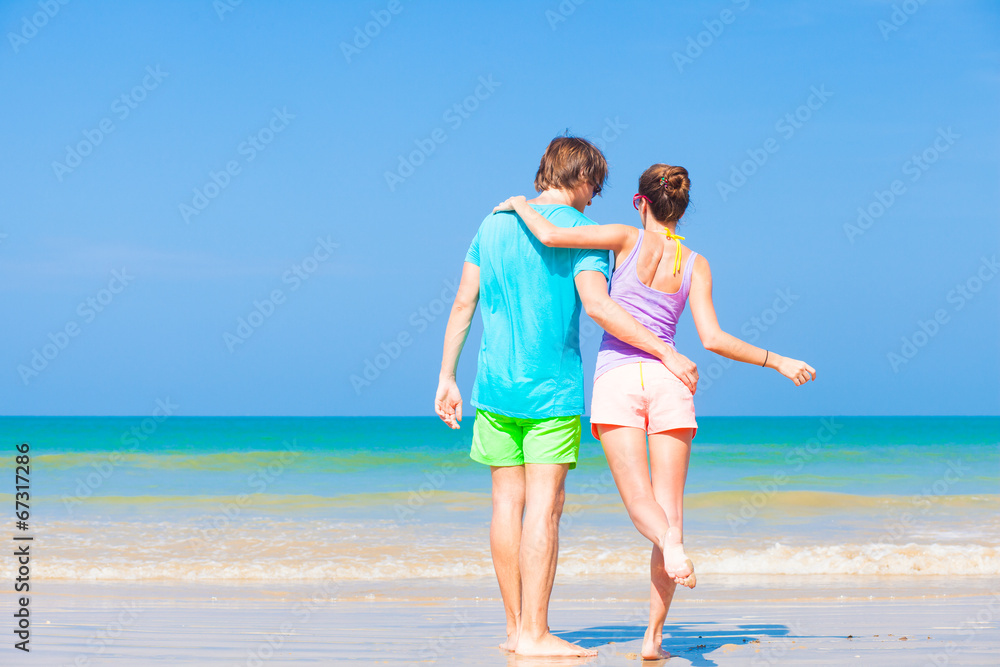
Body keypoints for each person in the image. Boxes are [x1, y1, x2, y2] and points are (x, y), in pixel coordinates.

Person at [493, 163, 816, 660]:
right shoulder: (696, 263)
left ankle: (667, 543)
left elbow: (554, 233)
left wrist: (517, 204)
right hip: (672, 381)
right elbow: (712, 339)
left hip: (619, 380)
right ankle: (653, 638)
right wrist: (779, 360)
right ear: (681, 210)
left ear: (640, 202)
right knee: (672, 511)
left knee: (642, 504)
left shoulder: (623, 238)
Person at [434, 139, 699, 658]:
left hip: (493, 386)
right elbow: (598, 307)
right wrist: (665, 352)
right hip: (551, 389)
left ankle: (516, 632)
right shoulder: (581, 233)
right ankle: (535, 632)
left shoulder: (491, 225)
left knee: (506, 505)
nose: (593, 199)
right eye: (595, 188)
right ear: (580, 177)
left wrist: (447, 377)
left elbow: (464, 302)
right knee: (545, 509)